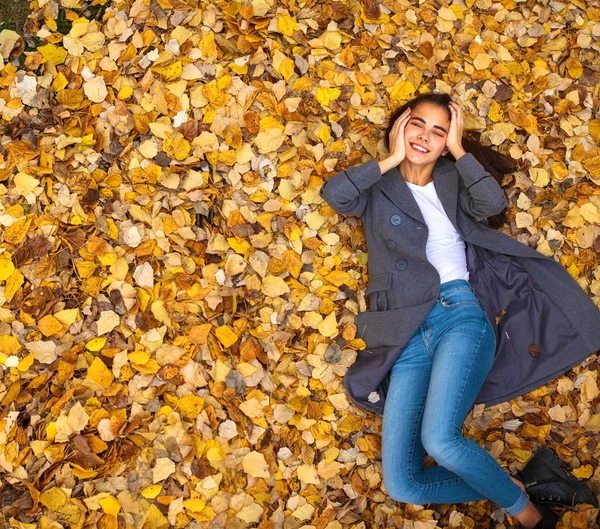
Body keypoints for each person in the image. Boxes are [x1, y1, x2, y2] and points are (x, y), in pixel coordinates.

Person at [319, 93, 600, 528]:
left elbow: (492, 205)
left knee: (440, 439)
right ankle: (528, 484)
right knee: (404, 484)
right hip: (405, 334)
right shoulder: (376, 187)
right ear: (399, 126)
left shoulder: (452, 180)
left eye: (439, 130)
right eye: (418, 124)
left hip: (459, 314)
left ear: (448, 140)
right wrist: (392, 159)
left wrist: (459, 151)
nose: (425, 136)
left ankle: (531, 519)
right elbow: (333, 193)